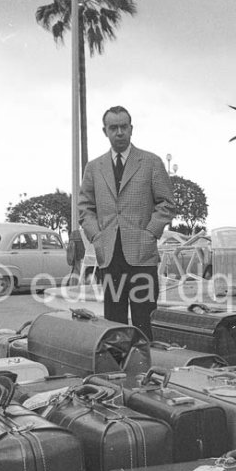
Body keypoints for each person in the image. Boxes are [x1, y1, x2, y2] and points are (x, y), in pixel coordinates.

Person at [78, 105, 175, 339]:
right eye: (113, 128)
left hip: (142, 255)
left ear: (131, 129)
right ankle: (117, 371)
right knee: (114, 324)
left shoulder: (151, 162)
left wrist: (150, 233)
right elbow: (84, 208)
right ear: (105, 131)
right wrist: (97, 236)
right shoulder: (94, 167)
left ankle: (147, 368)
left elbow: (166, 204)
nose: (119, 132)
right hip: (110, 255)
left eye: (124, 127)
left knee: (145, 321)